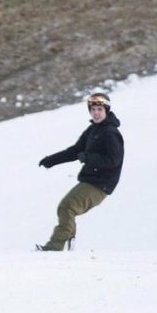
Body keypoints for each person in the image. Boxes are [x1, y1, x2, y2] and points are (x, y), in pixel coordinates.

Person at [36, 93, 124, 251]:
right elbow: (76, 151)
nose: (96, 113)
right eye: (93, 109)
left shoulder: (110, 133)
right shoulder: (93, 130)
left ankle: (56, 246)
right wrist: (52, 160)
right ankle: (69, 243)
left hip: (101, 184)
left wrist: (90, 158)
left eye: (99, 109)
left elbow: (114, 161)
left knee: (67, 207)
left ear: (106, 110)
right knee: (67, 208)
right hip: (91, 180)